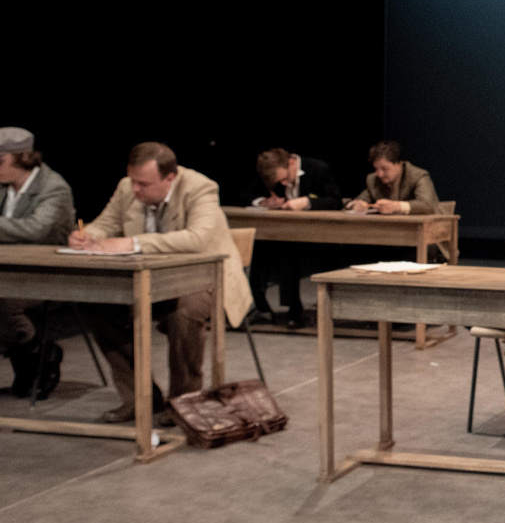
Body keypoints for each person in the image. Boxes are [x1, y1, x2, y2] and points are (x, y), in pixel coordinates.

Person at [69, 142, 253, 425]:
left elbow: (197, 239)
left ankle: (183, 402)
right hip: (149, 281)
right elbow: (104, 224)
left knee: (184, 311)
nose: (135, 189)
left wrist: (133, 243)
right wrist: (87, 235)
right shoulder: (126, 188)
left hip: (204, 278)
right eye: (133, 181)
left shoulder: (200, 188)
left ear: (170, 178)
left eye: (143, 184)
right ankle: (139, 398)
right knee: (97, 304)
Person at [1, 127, 76, 397]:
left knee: (2, 301)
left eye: (0, 161)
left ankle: (38, 354)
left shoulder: (53, 187)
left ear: (22, 157)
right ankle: (34, 354)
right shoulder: (4, 188)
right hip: (9, 273)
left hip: (49, 275)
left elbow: (36, 229)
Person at [242, 148, 343, 325]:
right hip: (283, 236)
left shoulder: (318, 169)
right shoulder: (271, 171)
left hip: (317, 235)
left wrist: (307, 202)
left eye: (285, 179)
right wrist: (263, 202)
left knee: (297, 254)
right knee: (260, 251)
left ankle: (300, 312)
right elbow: (244, 196)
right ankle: (265, 308)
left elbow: (335, 201)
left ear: (291, 163)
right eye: (279, 182)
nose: (283, 184)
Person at [346, 141, 438, 215]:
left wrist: (397, 206)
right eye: (376, 169)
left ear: (399, 163)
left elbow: (427, 205)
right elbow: (356, 201)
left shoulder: (418, 176)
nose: (379, 174)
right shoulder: (374, 180)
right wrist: (356, 205)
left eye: (384, 169)